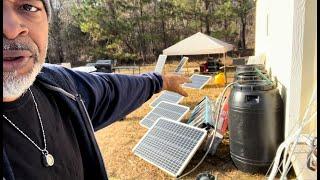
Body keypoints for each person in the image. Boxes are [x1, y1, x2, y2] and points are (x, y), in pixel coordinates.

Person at [2, 0, 189, 179]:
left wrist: (160, 81)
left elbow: (113, 90)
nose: (10, 30)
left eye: (28, 7)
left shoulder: (60, 87)